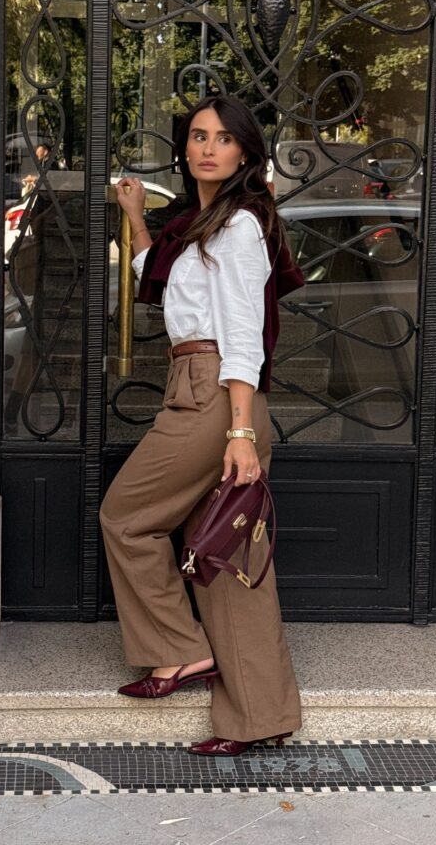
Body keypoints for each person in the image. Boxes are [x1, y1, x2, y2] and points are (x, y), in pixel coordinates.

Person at [99, 95, 304, 756]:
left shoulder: (241, 225)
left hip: (216, 394)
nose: (206, 147)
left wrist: (239, 432)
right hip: (207, 390)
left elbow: (243, 332)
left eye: (221, 138)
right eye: (196, 136)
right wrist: (135, 217)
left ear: (245, 151)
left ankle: (177, 650)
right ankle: (258, 716)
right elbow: (154, 277)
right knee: (228, 562)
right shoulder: (200, 224)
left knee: (126, 517)